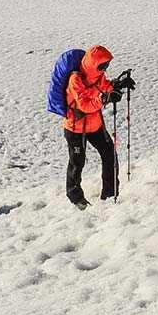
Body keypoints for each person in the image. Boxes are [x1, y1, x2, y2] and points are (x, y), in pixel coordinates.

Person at [62, 45, 135, 208]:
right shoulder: (76, 79)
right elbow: (84, 105)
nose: (104, 69)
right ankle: (75, 197)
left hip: (95, 125)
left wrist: (118, 85)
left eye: (106, 65)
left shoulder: (98, 75)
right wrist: (105, 100)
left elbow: (104, 87)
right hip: (75, 128)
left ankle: (110, 194)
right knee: (77, 162)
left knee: (109, 154)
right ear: (92, 64)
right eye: (102, 65)